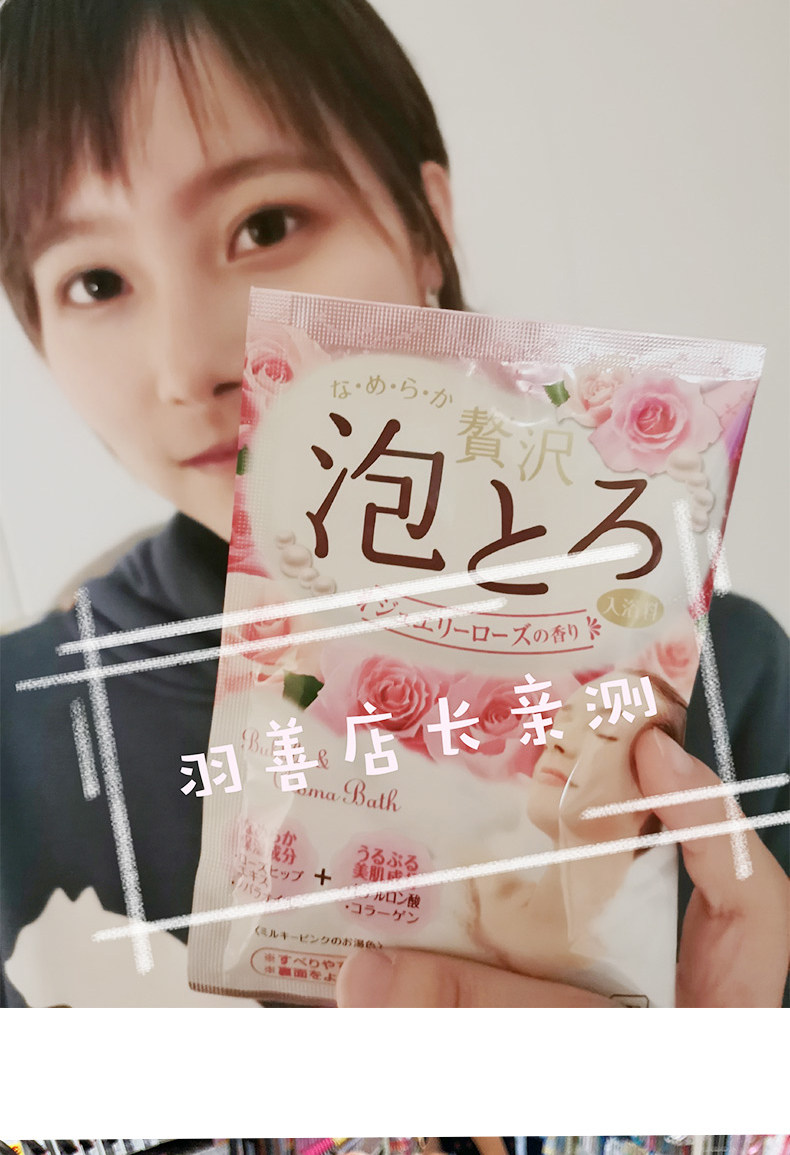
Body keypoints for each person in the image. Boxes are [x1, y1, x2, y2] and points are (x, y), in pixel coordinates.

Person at [0, 0, 788, 1008]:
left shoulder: (724, 686)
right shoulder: (19, 744)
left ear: (427, 227)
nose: (186, 365)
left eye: (265, 225)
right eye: (95, 281)